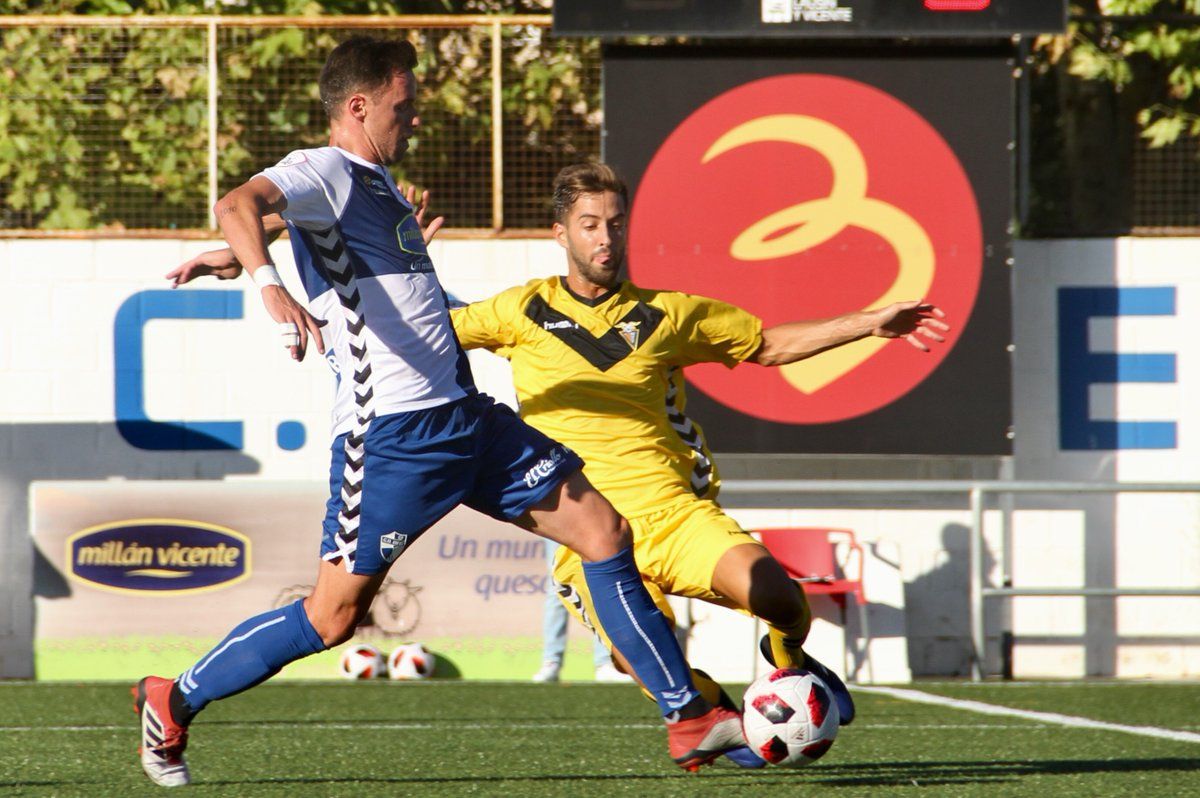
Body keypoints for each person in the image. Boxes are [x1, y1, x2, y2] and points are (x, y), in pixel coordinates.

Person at [135, 37, 746, 788]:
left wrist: (232, 253)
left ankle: (689, 716)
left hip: (468, 421)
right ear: (357, 108)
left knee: (602, 530)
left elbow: (293, 230)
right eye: (404, 106)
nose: (415, 118)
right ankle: (174, 698)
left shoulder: (374, 182)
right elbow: (242, 203)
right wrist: (261, 279)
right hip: (393, 439)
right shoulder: (323, 166)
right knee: (332, 618)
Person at [448, 162, 950, 741]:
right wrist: (396, 255)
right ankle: (729, 727)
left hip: (674, 515)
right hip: (583, 528)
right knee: (642, 661)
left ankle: (789, 664)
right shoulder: (518, 311)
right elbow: (425, 331)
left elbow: (767, 344)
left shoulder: (670, 314)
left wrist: (867, 324)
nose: (605, 239)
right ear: (560, 233)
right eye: (589, 225)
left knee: (780, 598)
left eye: (615, 223)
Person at [534, 539, 630, 683]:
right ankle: (551, 661)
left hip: (592, 520)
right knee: (558, 585)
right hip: (555, 520)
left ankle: (605, 662)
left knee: (599, 580)